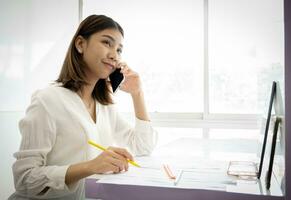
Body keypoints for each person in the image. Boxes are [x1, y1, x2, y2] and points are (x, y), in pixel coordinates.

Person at [9, 14, 157, 200]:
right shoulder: (47, 99)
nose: (114, 55)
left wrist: (138, 94)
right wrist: (91, 166)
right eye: (107, 43)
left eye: (119, 50)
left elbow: (143, 146)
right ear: (80, 44)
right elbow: (24, 179)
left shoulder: (105, 105)